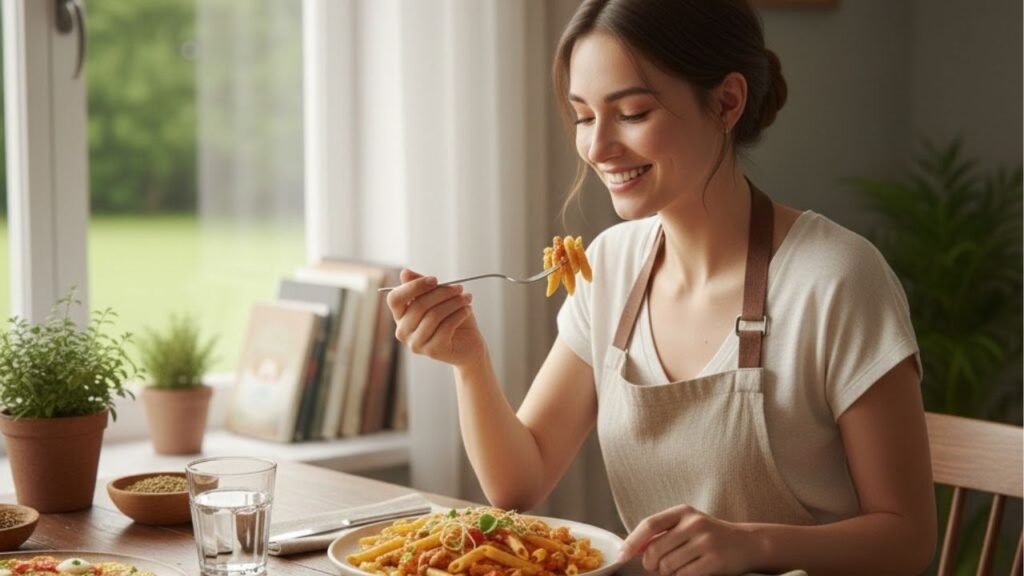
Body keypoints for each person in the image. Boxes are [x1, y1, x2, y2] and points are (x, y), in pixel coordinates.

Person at [385, 0, 936, 574]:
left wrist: (754, 544)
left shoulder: (837, 278)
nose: (598, 148)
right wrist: (469, 362)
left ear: (727, 102)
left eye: (632, 113)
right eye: (584, 116)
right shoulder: (609, 265)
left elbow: (908, 539)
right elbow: (518, 483)